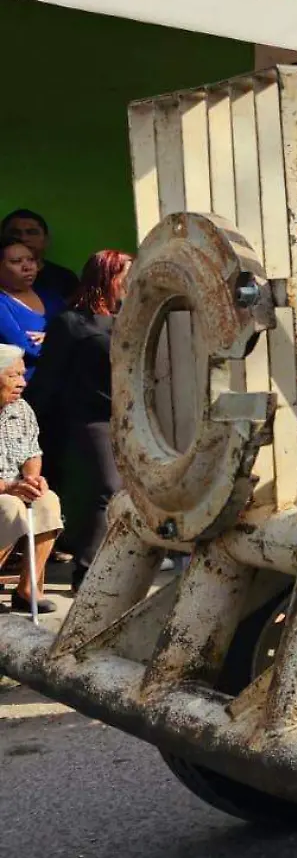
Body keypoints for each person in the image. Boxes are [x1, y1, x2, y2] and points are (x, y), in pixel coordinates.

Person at [26, 250, 131, 587]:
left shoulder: (132, 318)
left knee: (130, 490)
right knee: (109, 488)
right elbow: (49, 376)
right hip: (90, 417)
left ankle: (118, 563)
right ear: (108, 277)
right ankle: (87, 571)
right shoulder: (72, 321)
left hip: (129, 416)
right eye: (126, 273)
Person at [0, 344, 62, 614]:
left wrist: (32, 479)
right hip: (5, 494)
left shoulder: (22, 410)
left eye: (22, 375)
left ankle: (28, 589)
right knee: (10, 507)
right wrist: (10, 488)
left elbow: (32, 452)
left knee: (47, 500)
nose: (22, 383)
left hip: (12, 488)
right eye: (13, 376)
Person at [0, 236, 63, 379]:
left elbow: (78, 331)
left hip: (63, 385)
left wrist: (51, 337)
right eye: (16, 262)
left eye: (31, 260)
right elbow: (28, 349)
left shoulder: (51, 297)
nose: (27, 266)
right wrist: (59, 337)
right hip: (25, 388)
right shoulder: (2, 303)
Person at [1, 209, 78, 302]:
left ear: (46, 240)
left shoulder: (65, 278)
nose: (23, 238)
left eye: (32, 232)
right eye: (14, 232)